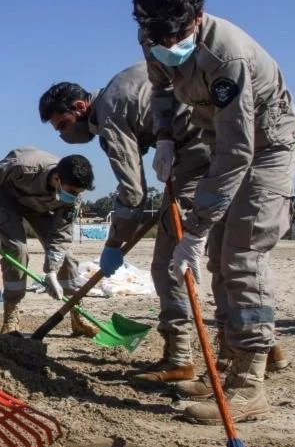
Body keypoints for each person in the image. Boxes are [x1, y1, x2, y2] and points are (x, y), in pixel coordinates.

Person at [132, 0, 295, 424]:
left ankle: (249, 388)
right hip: (222, 141)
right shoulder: (154, 32)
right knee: (217, 259)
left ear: (198, 14)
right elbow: (161, 89)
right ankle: (231, 369)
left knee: (241, 254)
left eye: (177, 35)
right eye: (158, 37)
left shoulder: (227, 56)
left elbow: (237, 152)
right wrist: (165, 136)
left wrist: (194, 230)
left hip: (270, 147)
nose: (168, 47)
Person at [38, 64, 211, 384]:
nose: (63, 135)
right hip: (212, 145)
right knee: (232, 255)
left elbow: (132, 195)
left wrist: (114, 245)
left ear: (80, 107)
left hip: (198, 154)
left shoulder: (109, 114)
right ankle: (262, 347)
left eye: (63, 125)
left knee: (166, 264)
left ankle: (179, 358)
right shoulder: (120, 88)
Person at [0, 148, 97, 335]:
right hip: (7, 201)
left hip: (39, 209)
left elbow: (61, 236)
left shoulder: (72, 198)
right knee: (17, 251)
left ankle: (78, 314)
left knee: (65, 257)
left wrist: (51, 270)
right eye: (72, 191)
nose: (74, 196)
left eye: (78, 193)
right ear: (57, 178)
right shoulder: (21, 166)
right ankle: (11, 316)